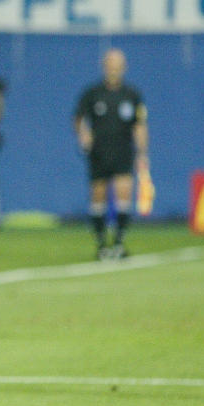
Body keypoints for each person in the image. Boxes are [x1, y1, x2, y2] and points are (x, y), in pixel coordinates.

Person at [73, 48, 148, 260]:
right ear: (104, 67)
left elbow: (139, 125)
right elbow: (79, 118)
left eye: (117, 66)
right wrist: (83, 134)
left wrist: (142, 152)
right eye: (110, 65)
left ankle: (118, 242)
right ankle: (101, 244)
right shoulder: (92, 93)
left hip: (123, 150)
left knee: (124, 191)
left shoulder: (131, 95)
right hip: (99, 152)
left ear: (123, 68)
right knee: (98, 196)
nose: (113, 70)